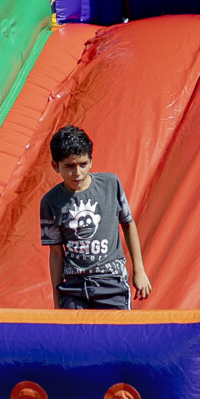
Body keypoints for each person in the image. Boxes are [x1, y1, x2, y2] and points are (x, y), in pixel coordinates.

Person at [39, 124, 152, 310]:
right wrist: (57, 300)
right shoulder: (50, 202)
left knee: (115, 328)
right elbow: (56, 253)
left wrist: (139, 270)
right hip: (74, 286)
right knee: (74, 329)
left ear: (91, 161)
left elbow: (128, 224)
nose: (77, 173)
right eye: (69, 166)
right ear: (55, 166)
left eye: (83, 164)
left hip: (111, 281)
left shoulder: (110, 185)